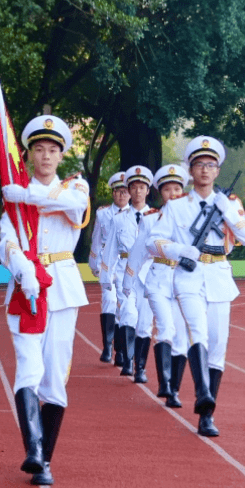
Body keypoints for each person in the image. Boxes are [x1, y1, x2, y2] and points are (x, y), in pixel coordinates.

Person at [0, 115, 90, 486]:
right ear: (29, 154)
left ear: (62, 154)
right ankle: (33, 449)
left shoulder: (74, 186)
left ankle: (46, 459)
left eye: (53, 150)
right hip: (27, 289)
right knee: (28, 366)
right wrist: (23, 268)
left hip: (63, 287)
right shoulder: (14, 198)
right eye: (39, 149)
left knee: (54, 374)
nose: (46, 156)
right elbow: (7, 242)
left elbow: (73, 207)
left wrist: (29, 196)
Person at [146, 136, 245, 437]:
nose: (205, 170)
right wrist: (179, 251)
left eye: (210, 165)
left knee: (217, 347)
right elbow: (153, 240)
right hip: (188, 277)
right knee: (197, 332)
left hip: (219, 275)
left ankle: (207, 414)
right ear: (190, 170)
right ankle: (201, 395)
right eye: (199, 165)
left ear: (218, 171)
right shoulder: (177, 207)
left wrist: (230, 213)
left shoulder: (230, 204)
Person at [122, 164, 191, 406]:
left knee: (181, 336)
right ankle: (166, 385)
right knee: (165, 328)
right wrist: (128, 281)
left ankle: (175, 386)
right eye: (167, 189)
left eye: (177, 188)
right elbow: (138, 251)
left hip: (184, 279)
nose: (172, 194)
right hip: (158, 279)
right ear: (160, 193)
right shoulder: (152, 219)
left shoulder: (192, 218)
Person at [105, 165, 154, 382]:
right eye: (133, 187)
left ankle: (141, 368)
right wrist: (107, 277)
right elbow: (110, 251)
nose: (137, 191)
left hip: (148, 273)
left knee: (144, 323)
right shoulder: (118, 219)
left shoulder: (157, 217)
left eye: (142, 187)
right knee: (128, 315)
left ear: (148, 190)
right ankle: (128, 360)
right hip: (124, 271)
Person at [89, 172, 129, 363]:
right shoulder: (103, 213)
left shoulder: (136, 215)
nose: (121, 195)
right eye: (118, 191)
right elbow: (96, 238)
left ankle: (121, 351)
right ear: (112, 193)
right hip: (108, 263)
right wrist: (94, 263)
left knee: (125, 307)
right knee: (109, 300)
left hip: (127, 264)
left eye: (125, 191)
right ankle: (108, 346)